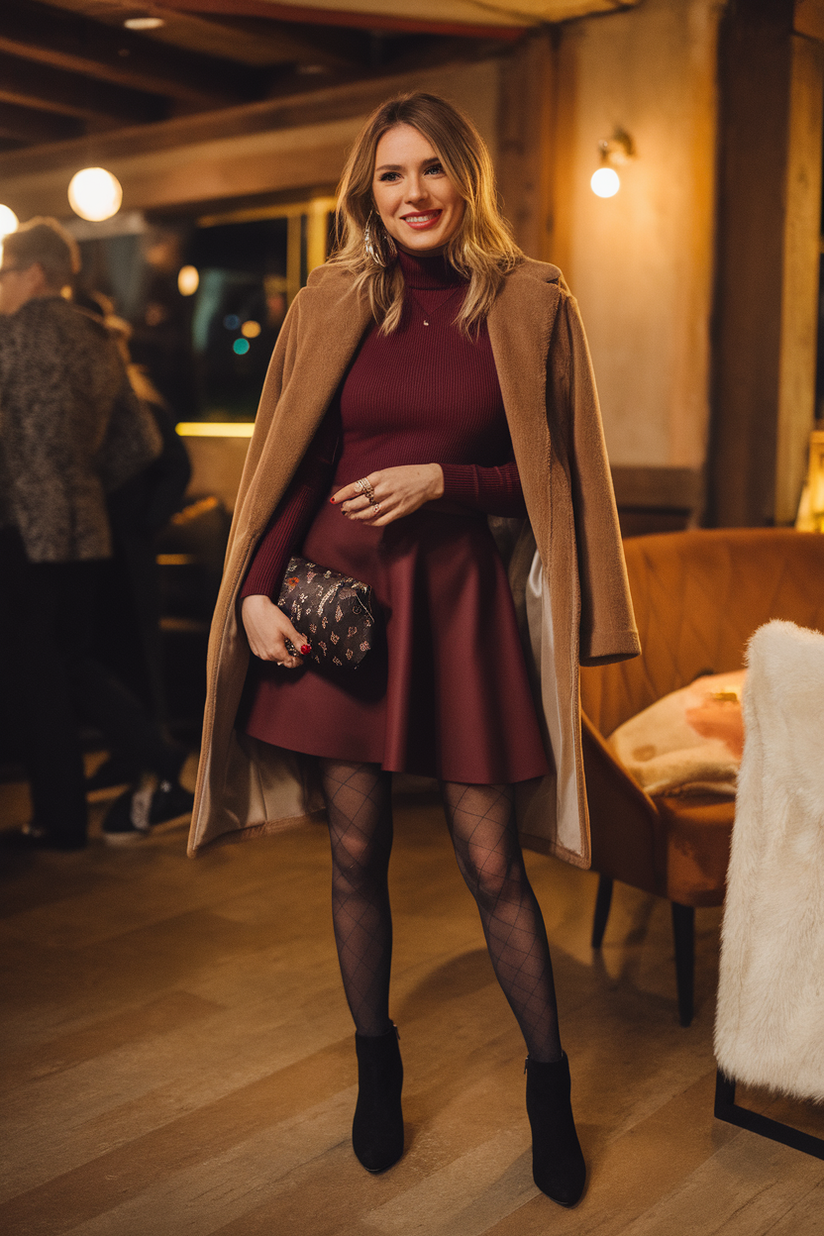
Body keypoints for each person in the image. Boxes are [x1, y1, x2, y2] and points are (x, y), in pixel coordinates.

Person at [187, 93, 640, 1207]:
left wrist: (448, 481)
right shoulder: (335, 299)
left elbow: (556, 479)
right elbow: (290, 466)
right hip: (334, 598)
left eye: (431, 170)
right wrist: (250, 594)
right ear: (367, 192)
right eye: (391, 176)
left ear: (465, 180)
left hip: (455, 606)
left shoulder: (529, 302)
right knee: (354, 851)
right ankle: (375, 1068)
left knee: (492, 865)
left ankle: (547, 1089)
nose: (413, 195)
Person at [0, 218, 192, 850]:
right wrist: (80, 481)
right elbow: (141, 442)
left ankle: (59, 819)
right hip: (87, 526)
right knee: (71, 662)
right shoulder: (97, 336)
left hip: (24, 529)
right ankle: (158, 756)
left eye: (2, 271)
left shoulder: (10, 336)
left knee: (38, 675)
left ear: (33, 273)